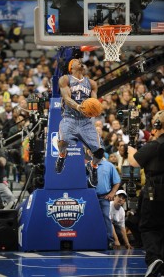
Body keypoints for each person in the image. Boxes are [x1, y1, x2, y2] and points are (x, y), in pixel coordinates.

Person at [55, 58, 104, 187]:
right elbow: (66, 98)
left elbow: (94, 102)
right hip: (69, 117)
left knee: (99, 152)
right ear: (71, 67)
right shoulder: (65, 79)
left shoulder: (92, 83)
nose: (80, 61)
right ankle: (62, 155)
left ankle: (93, 167)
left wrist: (94, 109)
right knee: (62, 141)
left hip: (86, 121)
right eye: (77, 60)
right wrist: (78, 107)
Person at [128, 110, 164, 277]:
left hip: (155, 189)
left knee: (149, 226)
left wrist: (131, 147)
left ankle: (154, 260)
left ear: (157, 125)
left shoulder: (155, 145)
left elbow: (133, 162)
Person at [94, 158, 121, 249]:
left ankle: (110, 241)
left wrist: (112, 193)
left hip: (104, 197)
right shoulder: (87, 165)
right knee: (90, 218)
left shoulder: (109, 165)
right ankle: (90, 239)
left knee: (106, 217)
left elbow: (117, 181)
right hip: (90, 197)